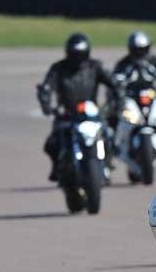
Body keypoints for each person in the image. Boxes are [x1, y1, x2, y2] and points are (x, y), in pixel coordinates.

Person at [36, 33, 117, 182]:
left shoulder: (95, 67)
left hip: (91, 113)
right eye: (74, 55)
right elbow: (47, 87)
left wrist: (118, 96)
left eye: (80, 55)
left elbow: (113, 83)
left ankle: (106, 164)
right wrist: (46, 103)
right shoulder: (59, 68)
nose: (77, 59)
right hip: (67, 113)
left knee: (109, 135)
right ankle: (57, 167)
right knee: (52, 143)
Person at [111, 31, 156, 131]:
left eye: (142, 50)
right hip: (131, 97)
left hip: (151, 95)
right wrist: (118, 103)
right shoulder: (123, 64)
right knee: (121, 117)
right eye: (137, 50)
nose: (139, 53)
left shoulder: (155, 61)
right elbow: (115, 83)